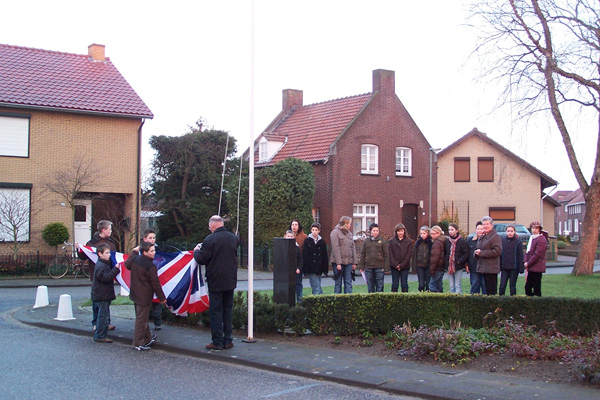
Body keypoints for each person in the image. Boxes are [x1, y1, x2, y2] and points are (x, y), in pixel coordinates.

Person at [194, 215, 240, 350]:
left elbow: (202, 259)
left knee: (216, 311)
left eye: (210, 227)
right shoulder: (234, 238)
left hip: (216, 280)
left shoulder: (210, 240)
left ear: (213, 226)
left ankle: (217, 341)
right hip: (230, 279)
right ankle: (228, 340)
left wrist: (196, 251)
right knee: (228, 310)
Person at [76, 220, 117, 331]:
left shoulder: (111, 243)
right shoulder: (92, 243)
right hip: (97, 275)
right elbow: (83, 257)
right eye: (109, 229)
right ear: (103, 230)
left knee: (106, 300)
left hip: (108, 275)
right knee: (97, 300)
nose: (111, 231)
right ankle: (96, 323)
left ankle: (106, 322)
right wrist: (79, 249)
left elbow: (114, 257)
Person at [126, 241, 166, 351]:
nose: (154, 253)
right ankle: (138, 343)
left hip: (135, 293)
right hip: (144, 296)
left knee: (142, 318)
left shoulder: (136, 259)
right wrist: (162, 298)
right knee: (141, 320)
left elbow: (127, 265)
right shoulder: (150, 266)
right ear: (145, 252)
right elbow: (155, 283)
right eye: (152, 251)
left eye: (154, 250)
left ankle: (147, 339)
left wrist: (134, 252)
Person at [126, 228, 164, 330]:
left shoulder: (158, 250)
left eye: (154, 238)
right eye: (150, 238)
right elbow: (128, 264)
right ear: (144, 239)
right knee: (141, 314)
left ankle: (156, 322)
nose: (152, 240)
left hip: (153, 279)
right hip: (142, 285)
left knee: (155, 305)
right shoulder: (138, 252)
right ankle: (140, 339)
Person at [91, 244, 121, 343]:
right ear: (100, 254)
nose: (109, 255)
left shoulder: (103, 264)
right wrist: (116, 269)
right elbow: (106, 277)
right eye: (107, 253)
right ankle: (100, 336)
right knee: (103, 316)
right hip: (102, 295)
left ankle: (100, 334)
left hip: (102, 294)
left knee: (103, 316)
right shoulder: (101, 266)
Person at [474, 216, 502, 295]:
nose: (485, 226)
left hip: (491, 268)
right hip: (484, 267)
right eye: (484, 224)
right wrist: (476, 253)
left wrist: (482, 253)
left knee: (491, 291)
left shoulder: (495, 237)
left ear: (491, 225)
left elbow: (497, 251)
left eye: (487, 224)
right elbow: (479, 248)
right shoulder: (483, 236)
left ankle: (494, 307)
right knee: (486, 291)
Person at [330, 216, 357, 294]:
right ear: (345, 223)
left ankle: (348, 299)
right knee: (338, 282)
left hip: (349, 261)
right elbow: (336, 248)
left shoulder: (349, 234)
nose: (350, 226)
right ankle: (337, 300)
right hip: (338, 262)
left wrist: (354, 262)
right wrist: (338, 263)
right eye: (349, 224)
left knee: (348, 281)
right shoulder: (335, 232)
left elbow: (353, 248)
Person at [359, 223, 389, 293]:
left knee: (380, 285)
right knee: (370, 285)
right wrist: (362, 267)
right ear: (370, 231)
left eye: (377, 231)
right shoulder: (366, 241)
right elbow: (362, 254)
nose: (375, 232)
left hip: (379, 266)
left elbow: (386, 255)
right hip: (368, 267)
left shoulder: (382, 241)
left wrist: (386, 268)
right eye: (374, 230)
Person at [302, 223, 329, 295]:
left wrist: (325, 269)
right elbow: (305, 255)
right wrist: (305, 269)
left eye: (316, 230)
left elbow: (324, 256)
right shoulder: (307, 241)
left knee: (318, 285)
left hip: (319, 267)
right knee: (316, 286)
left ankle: (318, 299)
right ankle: (318, 300)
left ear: (319, 231)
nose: (314, 231)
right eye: (313, 230)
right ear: (311, 230)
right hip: (311, 267)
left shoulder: (322, 242)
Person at [499, 225, 524, 296]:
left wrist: (521, 268)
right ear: (506, 232)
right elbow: (500, 254)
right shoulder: (503, 241)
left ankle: (513, 301)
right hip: (505, 268)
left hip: (514, 268)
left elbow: (520, 255)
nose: (510, 233)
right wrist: (500, 266)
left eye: (511, 231)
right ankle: (501, 301)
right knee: (502, 286)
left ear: (514, 232)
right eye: (508, 231)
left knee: (512, 287)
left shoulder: (518, 242)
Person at [388, 223, 414, 293]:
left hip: (405, 266)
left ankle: (405, 300)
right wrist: (395, 265)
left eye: (401, 231)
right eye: (398, 231)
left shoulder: (409, 242)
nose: (400, 233)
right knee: (395, 284)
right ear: (396, 232)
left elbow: (409, 255)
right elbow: (390, 254)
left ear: (404, 231)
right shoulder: (391, 241)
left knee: (404, 284)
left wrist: (402, 265)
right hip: (394, 267)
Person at [524, 221, 548, 297]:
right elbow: (528, 252)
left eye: (536, 228)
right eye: (533, 228)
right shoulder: (532, 238)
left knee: (536, 288)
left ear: (539, 229)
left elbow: (538, 254)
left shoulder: (541, 239)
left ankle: (537, 304)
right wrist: (525, 261)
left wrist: (528, 263)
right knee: (528, 287)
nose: (534, 230)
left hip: (537, 267)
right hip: (531, 268)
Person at [444, 223, 469, 294]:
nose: (450, 231)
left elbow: (466, 253)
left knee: (457, 285)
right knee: (451, 286)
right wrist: (446, 261)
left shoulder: (461, 241)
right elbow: (445, 252)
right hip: (449, 265)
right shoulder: (447, 241)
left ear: (457, 230)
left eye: (452, 229)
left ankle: (458, 300)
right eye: (449, 230)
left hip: (458, 265)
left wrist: (459, 261)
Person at [284, 230, 304, 302]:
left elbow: (300, 259)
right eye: (288, 236)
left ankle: (299, 300)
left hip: (296, 271)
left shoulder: (297, 248)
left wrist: (299, 268)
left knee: (298, 285)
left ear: (294, 237)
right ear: (285, 237)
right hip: (286, 271)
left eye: (291, 236)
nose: (290, 238)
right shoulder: (282, 247)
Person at [467, 221, 486, 295]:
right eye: (478, 229)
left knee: (484, 285)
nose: (479, 231)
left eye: (481, 229)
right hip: (473, 267)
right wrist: (466, 264)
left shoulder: (487, 241)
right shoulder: (470, 240)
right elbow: (467, 253)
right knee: (474, 285)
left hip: (484, 267)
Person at [413, 226, 432, 292]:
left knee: (428, 283)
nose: (422, 235)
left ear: (428, 233)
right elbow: (414, 255)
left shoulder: (430, 242)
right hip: (420, 265)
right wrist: (414, 267)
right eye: (421, 233)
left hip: (428, 265)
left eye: (424, 233)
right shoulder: (418, 243)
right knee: (421, 284)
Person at [429, 225, 446, 293]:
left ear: (438, 233)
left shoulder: (437, 242)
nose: (432, 235)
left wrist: (432, 270)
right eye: (431, 234)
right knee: (439, 284)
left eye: (434, 233)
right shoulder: (443, 240)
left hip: (437, 266)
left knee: (432, 285)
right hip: (441, 266)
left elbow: (435, 257)